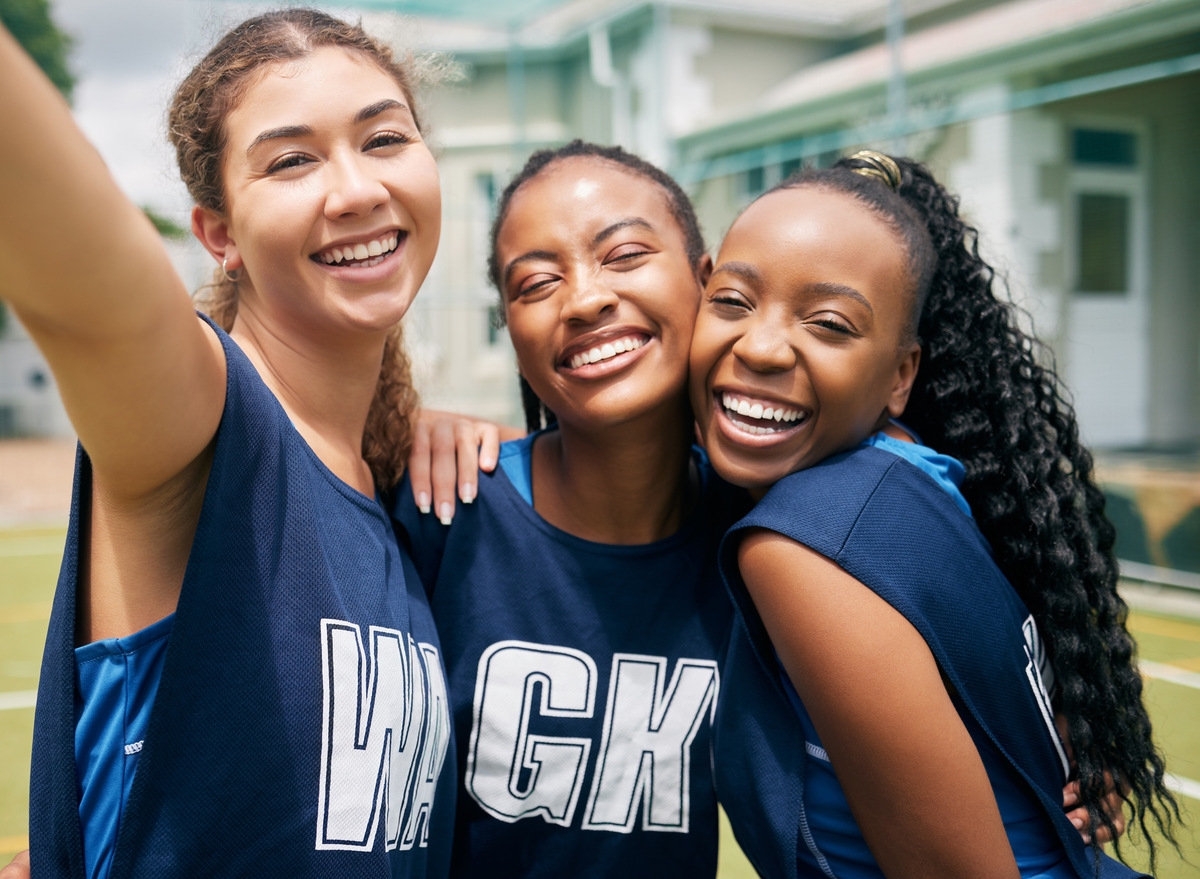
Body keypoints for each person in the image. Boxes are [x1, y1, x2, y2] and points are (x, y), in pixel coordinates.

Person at [0, 9, 454, 877]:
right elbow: (96, 292)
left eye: (384, 138)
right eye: (291, 160)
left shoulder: (386, 484)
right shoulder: (206, 422)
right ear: (218, 233)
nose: (355, 189)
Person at [690, 151, 1179, 878]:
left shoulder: (803, 544)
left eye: (829, 323)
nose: (760, 346)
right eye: (732, 301)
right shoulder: (916, 470)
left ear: (899, 374)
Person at [394, 140, 750, 877]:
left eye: (622, 255)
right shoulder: (443, 506)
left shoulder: (760, 542)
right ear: (511, 329)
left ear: (705, 280)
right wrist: (399, 423)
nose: (585, 298)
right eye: (536, 282)